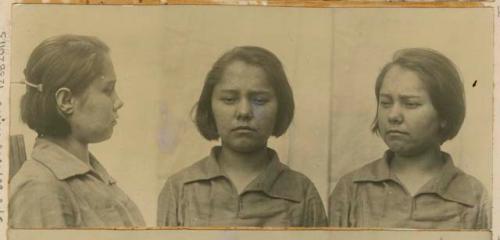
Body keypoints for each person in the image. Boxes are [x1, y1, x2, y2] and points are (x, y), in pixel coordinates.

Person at [157, 46, 327, 227]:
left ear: (280, 108)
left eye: (260, 100)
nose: (244, 112)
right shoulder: (180, 189)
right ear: (210, 106)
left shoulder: (302, 193)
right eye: (229, 99)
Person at [328, 48, 490, 229]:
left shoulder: (474, 197)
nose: (393, 115)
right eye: (386, 103)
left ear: (444, 114)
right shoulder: (352, 190)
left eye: (411, 104)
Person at [9, 34, 145, 228]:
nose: (118, 102)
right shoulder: (39, 189)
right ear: (66, 101)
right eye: (107, 90)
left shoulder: (91, 178)